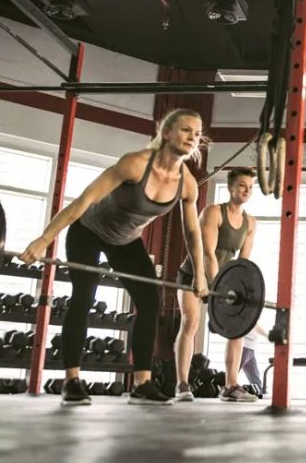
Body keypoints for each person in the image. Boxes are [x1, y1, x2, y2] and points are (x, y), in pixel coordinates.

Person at [20, 108, 209, 406]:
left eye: (197, 134)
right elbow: (84, 201)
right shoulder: (134, 164)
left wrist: (200, 275)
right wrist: (45, 239)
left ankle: (142, 385)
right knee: (84, 294)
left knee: (149, 301)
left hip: (126, 241)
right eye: (186, 130)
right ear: (167, 131)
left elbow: (193, 234)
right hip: (88, 231)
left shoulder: (187, 184)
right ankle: (72, 380)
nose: (192, 138)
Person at [173, 168, 258, 402]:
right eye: (242, 185)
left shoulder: (250, 222)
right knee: (191, 323)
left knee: (237, 329)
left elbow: (243, 262)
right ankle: (182, 384)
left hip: (224, 280)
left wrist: (239, 290)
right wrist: (215, 287)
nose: (247, 190)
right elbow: (208, 254)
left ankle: (230, 386)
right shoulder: (213, 213)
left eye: (250, 187)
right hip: (193, 274)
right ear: (231, 188)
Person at [239, 324, 269, 398]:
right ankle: (225, 388)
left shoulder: (252, 318)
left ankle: (259, 392)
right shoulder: (244, 316)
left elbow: (255, 326)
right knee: (234, 371)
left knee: (255, 375)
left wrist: (268, 336)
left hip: (251, 349)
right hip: (244, 348)